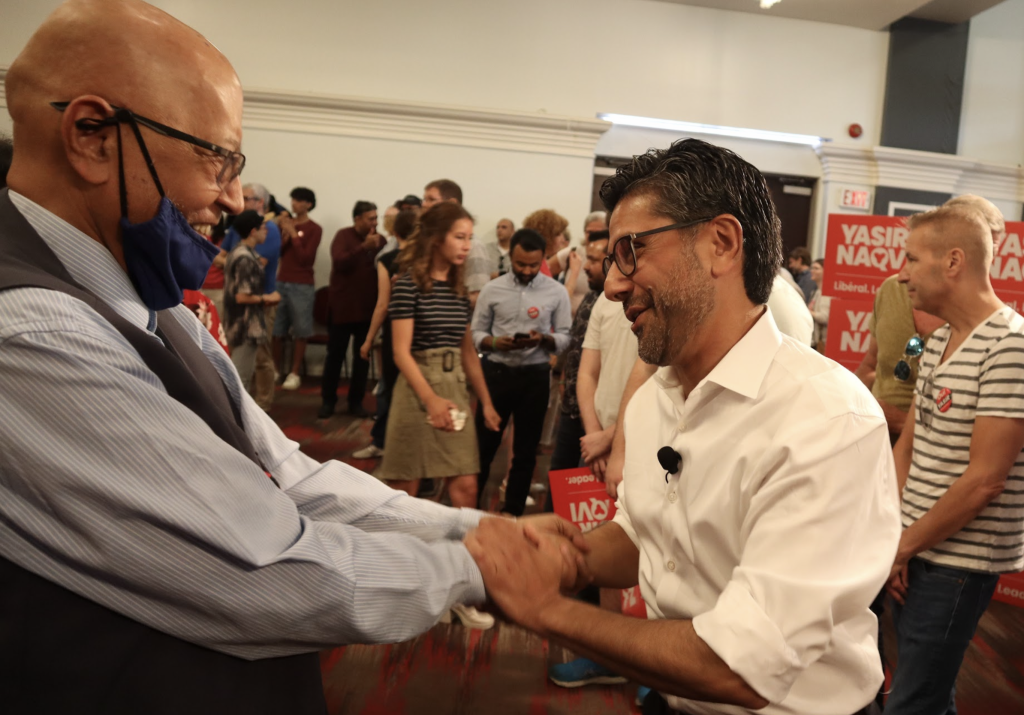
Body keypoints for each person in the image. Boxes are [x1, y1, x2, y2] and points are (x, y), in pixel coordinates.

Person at [0, 3, 583, 710]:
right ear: (92, 136)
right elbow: (259, 567)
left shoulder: (142, 296)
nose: (234, 196)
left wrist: (480, 527)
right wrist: (479, 567)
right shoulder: (28, 328)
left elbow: (288, 476)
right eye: (216, 157)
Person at [466, 138, 901, 715]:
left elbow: (743, 665)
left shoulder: (825, 419)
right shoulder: (655, 400)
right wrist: (570, 556)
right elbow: (648, 533)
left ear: (720, 243)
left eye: (631, 252)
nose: (613, 283)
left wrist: (545, 607)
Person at [883, 205, 1024, 714]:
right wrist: (897, 538)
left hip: (958, 564)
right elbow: (910, 446)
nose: (901, 274)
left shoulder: (1011, 346)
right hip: (917, 549)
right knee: (923, 693)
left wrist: (901, 547)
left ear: (953, 262)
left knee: (914, 701)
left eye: (911, 259)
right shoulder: (940, 340)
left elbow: (985, 480)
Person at [376, 203, 503, 628]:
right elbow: (399, 351)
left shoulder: (459, 287)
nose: (468, 246)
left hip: (454, 387)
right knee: (404, 495)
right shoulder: (409, 283)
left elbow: (468, 352)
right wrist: (431, 401)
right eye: (460, 237)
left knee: (466, 487)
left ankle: (459, 589)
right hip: (417, 389)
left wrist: (484, 401)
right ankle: (403, 588)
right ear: (436, 239)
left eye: (470, 237)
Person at [855, 195, 1005, 442]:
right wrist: (856, 409)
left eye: (991, 245)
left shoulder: (993, 332)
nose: (987, 256)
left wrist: (903, 424)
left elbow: (982, 453)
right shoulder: (892, 290)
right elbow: (871, 365)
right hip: (876, 437)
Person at [472, 228, 572, 515]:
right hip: (496, 374)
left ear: (542, 259)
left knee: (527, 451)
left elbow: (566, 335)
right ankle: (471, 511)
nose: (526, 270)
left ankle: (512, 512)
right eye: (520, 264)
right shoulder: (492, 289)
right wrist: (493, 342)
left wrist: (544, 340)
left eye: (532, 265)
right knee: (484, 447)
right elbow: (476, 332)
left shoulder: (556, 291)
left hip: (535, 376)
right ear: (511, 258)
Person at [353, 208, 417, 460]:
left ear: (394, 231)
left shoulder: (388, 259)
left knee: (389, 389)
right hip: (421, 333)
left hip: (396, 331)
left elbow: (383, 304)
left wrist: (369, 339)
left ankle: (382, 441)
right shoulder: (429, 258)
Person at [549, 229, 609, 474]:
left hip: (599, 415)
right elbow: (576, 341)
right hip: (573, 405)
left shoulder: (620, 304)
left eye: (594, 261)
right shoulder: (592, 297)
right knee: (560, 477)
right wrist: (563, 374)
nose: (585, 266)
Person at [218, 182, 282, 410]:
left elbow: (223, 259)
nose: (240, 201)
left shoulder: (264, 234)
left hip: (249, 310)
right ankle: (243, 415)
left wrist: (231, 264)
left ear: (260, 202)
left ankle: (261, 405)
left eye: (246, 197)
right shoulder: (245, 253)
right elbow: (244, 290)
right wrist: (268, 298)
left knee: (258, 358)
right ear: (253, 232)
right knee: (241, 369)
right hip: (248, 312)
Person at [320, 200, 383, 419]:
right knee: (335, 357)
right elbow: (339, 261)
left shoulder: (380, 241)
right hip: (342, 309)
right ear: (357, 219)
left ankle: (356, 402)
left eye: (376, 218)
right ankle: (328, 401)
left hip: (367, 311)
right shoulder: (343, 236)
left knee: (362, 359)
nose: (375, 222)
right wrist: (363, 248)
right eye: (370, 218)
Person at [274, 186, 322, 390]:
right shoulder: (287, 223)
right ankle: (276, 370)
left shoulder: (315, 228)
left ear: (308, 204)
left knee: (301, 330)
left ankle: (294, 373)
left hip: (302, 284)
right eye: (293, 199)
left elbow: (305, 258)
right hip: (281, 280)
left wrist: (294, 234)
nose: (294, 203)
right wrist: (285, 233)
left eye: (298, 200)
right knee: (277, 329)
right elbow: (278, 252)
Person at [523, 208, 569, 278]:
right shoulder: (535, 266)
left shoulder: (540, 262)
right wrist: (574, 274)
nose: (562, 240)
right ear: (546, 236)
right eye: (557, 234)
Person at [809, 258, 831, 351]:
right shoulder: (817, 291)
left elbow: (824, 317)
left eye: (816, 268)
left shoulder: (826, 294)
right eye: (812, 268)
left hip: (822, 342)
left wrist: (807, 312)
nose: (812, 271)